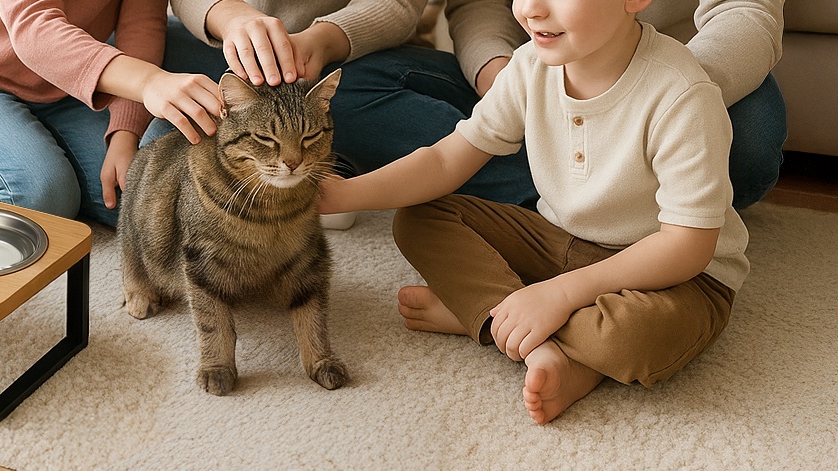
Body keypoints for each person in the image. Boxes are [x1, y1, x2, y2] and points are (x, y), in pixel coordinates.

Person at [318, 0, 750, 424]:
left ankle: (487, 315)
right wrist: (344, 194)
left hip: (679, 276)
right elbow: (445, 161)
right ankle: (524, 325)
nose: (531, 9)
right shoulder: (529, 66)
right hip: (559, 238)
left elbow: (687, 245)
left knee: (631, 338)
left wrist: (560, 294)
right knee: (419, 217)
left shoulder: (682, 94)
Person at [0, 0, 225, 228]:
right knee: (41, 201)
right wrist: (149, 84)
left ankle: (34, 148)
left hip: (65, 85)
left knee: (131, 203)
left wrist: (124, 133)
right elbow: (36, 31)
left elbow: (141, 29)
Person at [154, 0, 539, 211]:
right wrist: (229, 16)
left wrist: (324, 40)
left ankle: (543, 188)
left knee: (336, 98)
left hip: (355, 57)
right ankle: (336, 156)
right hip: (221, 48)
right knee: (156, 175)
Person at [448, 0, 786, 209]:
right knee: (396, 83)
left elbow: (745, 10)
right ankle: (572, 195)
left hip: (683, 78)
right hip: (538, 68)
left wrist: (662, 97)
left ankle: (589, 199)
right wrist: (498, 77)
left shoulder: (679, 92)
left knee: (752, 137)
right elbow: (480, 5)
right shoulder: (526, 68)